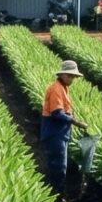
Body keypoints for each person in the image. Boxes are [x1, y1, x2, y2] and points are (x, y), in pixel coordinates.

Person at [42, 58, 82, 189]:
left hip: (60, 132)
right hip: (55, 133)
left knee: (59, 164)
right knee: (59, 165)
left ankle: (57, 191)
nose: (72, 79)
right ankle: (57, 194)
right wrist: (74, 121)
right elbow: (57, 113)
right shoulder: (56, 89)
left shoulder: (63, 87)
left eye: (73, 77)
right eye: (70, 76)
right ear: (63, 75)